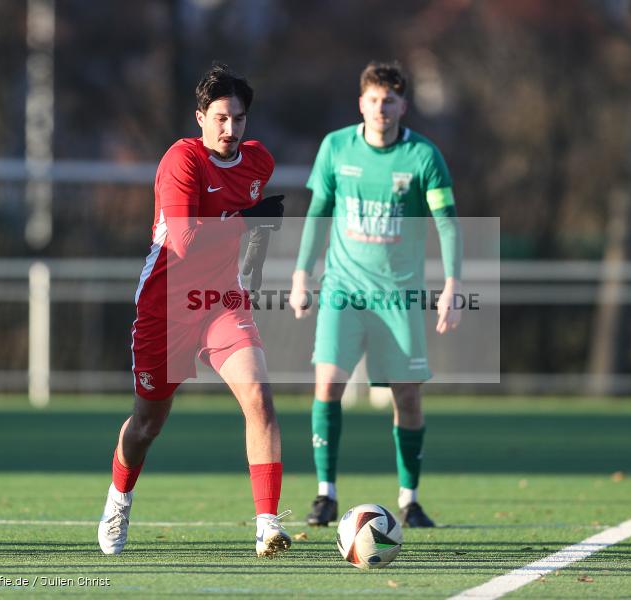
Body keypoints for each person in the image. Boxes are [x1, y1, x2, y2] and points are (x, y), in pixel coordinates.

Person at [98, 63, 291, 557]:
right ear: (200, 117)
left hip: (223, 301)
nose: (231, 130)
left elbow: (253, 233)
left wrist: (252, 261)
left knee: (260, 399)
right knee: (147, 425)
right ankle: (119, 498)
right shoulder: (180, 160)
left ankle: (267, 524)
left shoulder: (258, 163)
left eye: (240, 119)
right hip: (167, 306)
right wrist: (248, 221)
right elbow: (183, 240)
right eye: (221, 118)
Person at [289, 61, 463, 527]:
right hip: (343, 291)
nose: (380, 108)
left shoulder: (424, 157)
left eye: (389, 100)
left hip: (399, 297)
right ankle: (325, 494)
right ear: (360, 102)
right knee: (327, 386)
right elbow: (318, 215)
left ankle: (409, 499)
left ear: (403, 105)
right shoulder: (335, 148)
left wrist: (452, 284)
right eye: (372, 99)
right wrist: (301, 274)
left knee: (407, 396)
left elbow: (446, 223)